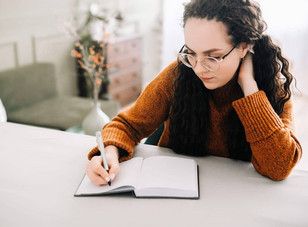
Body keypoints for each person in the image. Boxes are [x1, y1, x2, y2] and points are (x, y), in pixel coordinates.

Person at [86, 0, 302, 185]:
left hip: (235, 203)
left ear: (244, 46)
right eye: (191, 53)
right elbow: (128, 125)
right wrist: (109, 152)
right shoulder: (178, 75)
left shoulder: (273, 89)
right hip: (174, 195)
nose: (198, 68)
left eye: (213, 57)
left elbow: (278, 167)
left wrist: (249, 88)